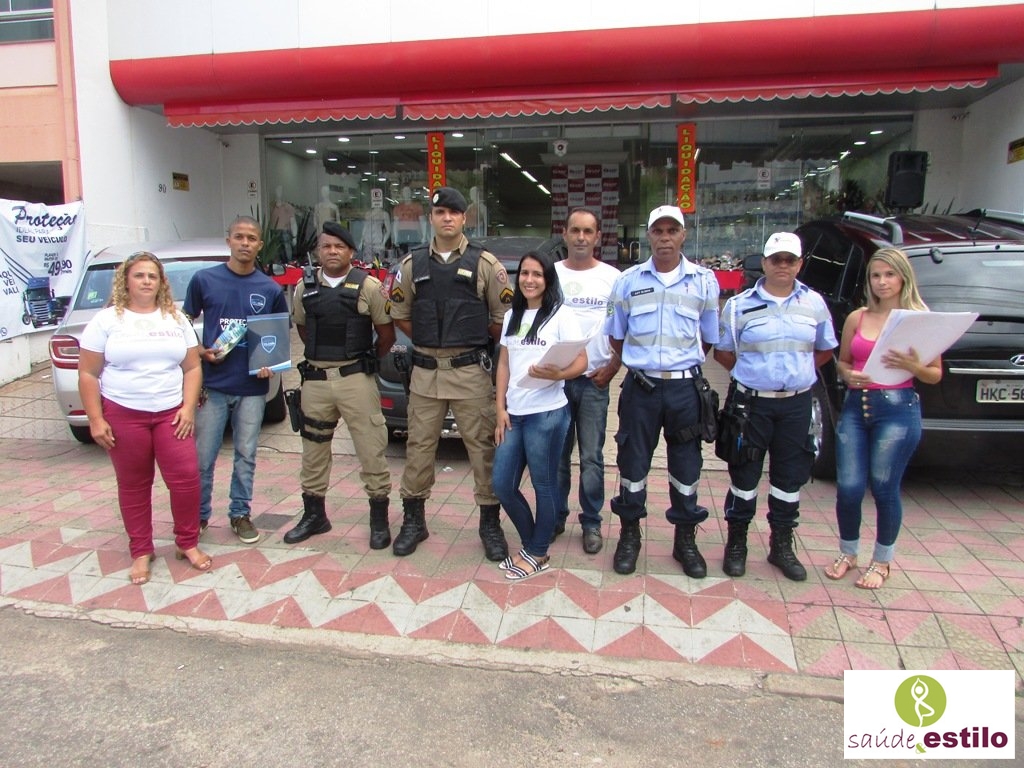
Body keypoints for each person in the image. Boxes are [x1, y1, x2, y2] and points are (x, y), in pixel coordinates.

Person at [388, 186, 513, 560]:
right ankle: (414, 521)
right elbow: (400, 314)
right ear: (431, 218)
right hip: (425, 375)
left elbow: (501, 321)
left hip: (470, 373)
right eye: (440, 212)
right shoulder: (411, 265)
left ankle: (489, 525)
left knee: (483, 450)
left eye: (453, 213)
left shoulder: (486, 265)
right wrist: (431, 339)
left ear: (463, 218)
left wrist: (465, 340)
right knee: (418, 449)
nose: (447, 218)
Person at [78, 251, 211, 584]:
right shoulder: (106, 321)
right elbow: (88, 374)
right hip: (124, 415)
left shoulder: (175, 319)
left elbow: (192, 367)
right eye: (139, 275)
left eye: (152, 276)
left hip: (171, 414)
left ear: (161, 282)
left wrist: (187, 407)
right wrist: (96, 419)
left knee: (186, 479)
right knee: (134, 484)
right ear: (126, 280)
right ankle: (141, 550)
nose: (146, 281)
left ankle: (187, 543)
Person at [713, 232, 838, 581]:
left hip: (795, 405)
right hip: (751, 405)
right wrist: (753, 375)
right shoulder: (739, 306)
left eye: (790, 260)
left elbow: (825, 349)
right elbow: (723, 352)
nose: (783, 265)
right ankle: (737, 543)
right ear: (765, 263)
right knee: (744, 476)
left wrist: (798, 374)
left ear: (799, 264)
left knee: (789, 477)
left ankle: (781, 545)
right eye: (776, 259)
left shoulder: (814, 303)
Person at [605, 205, 720, 576]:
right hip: (641, 389)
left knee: (686, 466)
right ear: (649, 235)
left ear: (683, 235)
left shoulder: (704, 282)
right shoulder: (627, 281)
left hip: (685, 391)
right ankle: (629, 535)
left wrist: (679, 365)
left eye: (672, 230)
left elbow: (708, 339)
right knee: (632, 463)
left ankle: (685, 540)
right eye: (658, 231)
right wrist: (644, 365)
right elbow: (616, 336)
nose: (665, 238)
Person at [824, 247, 941, 589]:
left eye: (889, 274)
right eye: (875, 275)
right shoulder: (857, 318)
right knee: (849, 486)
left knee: (884, 487)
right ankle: (848, 552)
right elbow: (843, 362)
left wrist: (914, 366)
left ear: (903, 277)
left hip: (896, 407)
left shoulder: (919, 319)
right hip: (856, 405)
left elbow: (935, 373)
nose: (882, 282)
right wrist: (848, 374)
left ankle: (882, 560)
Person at [283, 222, 396, 547]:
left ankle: (379, 520)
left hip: (355, 380)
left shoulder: (370, 286)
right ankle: (314, 515)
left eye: (339, 246)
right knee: (313, 450)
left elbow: (386, 335)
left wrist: (363, 361)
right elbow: (303, 330)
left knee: (371, 448)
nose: (332, 251)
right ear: (318, 251)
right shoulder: (304, 288)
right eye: (326, 246)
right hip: (316, 381)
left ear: (350, 251)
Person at [184, 216, 289, 545]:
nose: (245, 243)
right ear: (228, 240)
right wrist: (198, 350)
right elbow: (182, 320)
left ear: (260, 245)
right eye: (239, 237)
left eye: (252, 238)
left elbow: (277, 335)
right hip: (213, 385)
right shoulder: (204, 280)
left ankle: (240, 513)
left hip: (251, 388)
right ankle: (198, 515)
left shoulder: (270, 289)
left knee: (246, 455)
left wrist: (271, 365)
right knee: (203, 458)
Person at [494, 251, 586, 580]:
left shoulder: (562, 315)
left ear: (548, 279)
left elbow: (582, 362)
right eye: (525, 273)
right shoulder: (512, 316)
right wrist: (500, 408)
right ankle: (533, 546)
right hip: (514, 414)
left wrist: (558, 375)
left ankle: (536, 551)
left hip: (546, 414)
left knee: (543, 485)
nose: (529, 280)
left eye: (537, 274)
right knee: (502, 485)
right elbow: (504, 364)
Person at [552, 208, 621, 554]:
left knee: (592, 457)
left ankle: (591, 522)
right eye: (575, 230)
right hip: (557, 383)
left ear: (597, 237)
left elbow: (623, 328)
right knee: (557, 456)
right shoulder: (550, 274)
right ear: (564, 234)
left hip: (595, 382)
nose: (581, 237)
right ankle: (555, 516)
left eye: (588, 231)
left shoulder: (613, 278)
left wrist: (613, 367)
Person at [270, 186, 297, 263]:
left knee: (287, 251)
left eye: (281, 191)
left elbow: (293, 222)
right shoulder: (271, 207)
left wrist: (295, 236)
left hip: (285, 232)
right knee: (276, 253)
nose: (279, 192)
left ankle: (289, 264)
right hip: (274, 232)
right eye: (277, 190)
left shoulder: (288, 207)